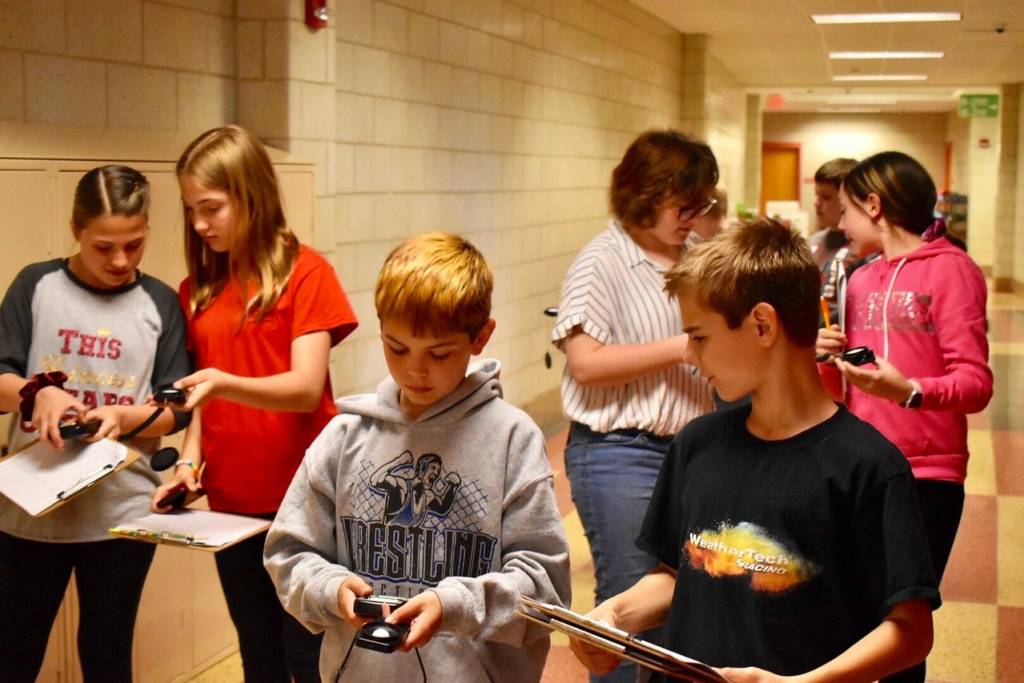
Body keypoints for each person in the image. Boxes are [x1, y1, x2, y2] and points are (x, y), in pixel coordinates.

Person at [569, 218, 940, 682]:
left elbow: (910, 631)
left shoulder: (867, 467)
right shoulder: (696, 444)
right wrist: (616, 616)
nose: (692, 355)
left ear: (762, 324)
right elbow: (681, 575)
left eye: (700, 337)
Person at [264, 232, 571, 682]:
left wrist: (455, 607)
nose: (415, 370)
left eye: (439, 353)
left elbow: (545, 587)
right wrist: (332, 590)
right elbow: (290, 553)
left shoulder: (511, 440)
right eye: (396, 347)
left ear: (480, 337)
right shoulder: (346, 436)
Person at [151, 125, 358, 683]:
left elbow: (305, 387)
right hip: (232, 508)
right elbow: (201, 401)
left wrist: (222, 382)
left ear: (251, 195)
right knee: (257, 651)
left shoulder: (306, 273)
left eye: (211, 208)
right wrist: (192, 465)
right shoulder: (196, 289)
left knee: (308, 654)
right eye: (191, 209)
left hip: (307, 504)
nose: (199, 224)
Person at [0, 166, 192, 682]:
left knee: (108, 655)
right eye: (104, 246)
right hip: (31, 508)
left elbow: (176, 409)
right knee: (13, 651)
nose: (120, 260)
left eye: (134, 244)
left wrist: (122, 416)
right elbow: (0, 376)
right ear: (75, 229)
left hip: (121, 511)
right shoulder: (35, 285)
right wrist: (39, 393)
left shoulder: (160, 302)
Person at [816, 151, 992, 683]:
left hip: (927, 475)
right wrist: (824, 357)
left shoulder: (953, 270)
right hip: (861, 467)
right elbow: (844, 389)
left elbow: (977, 384)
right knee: (850, 616)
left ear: (875, 205)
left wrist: (910, 391)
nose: (840, 222)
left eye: (847, 208)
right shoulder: (860, 278)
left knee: (900, 627)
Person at [552, 129, 716, 683]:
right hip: (622, 451)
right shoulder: (604, 261)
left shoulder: (693, 257)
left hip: (688, 451)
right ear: (644, 194)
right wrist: (683, 348)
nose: (693, 217)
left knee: (677, 601)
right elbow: (586, 363)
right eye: (683, 205)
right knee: (625, 608)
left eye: (701, 205)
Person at [809, 158, 860, 326]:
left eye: (826, 197)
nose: (817, 203)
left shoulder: (862, 249)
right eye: (817, 195)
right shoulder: (812, 242)